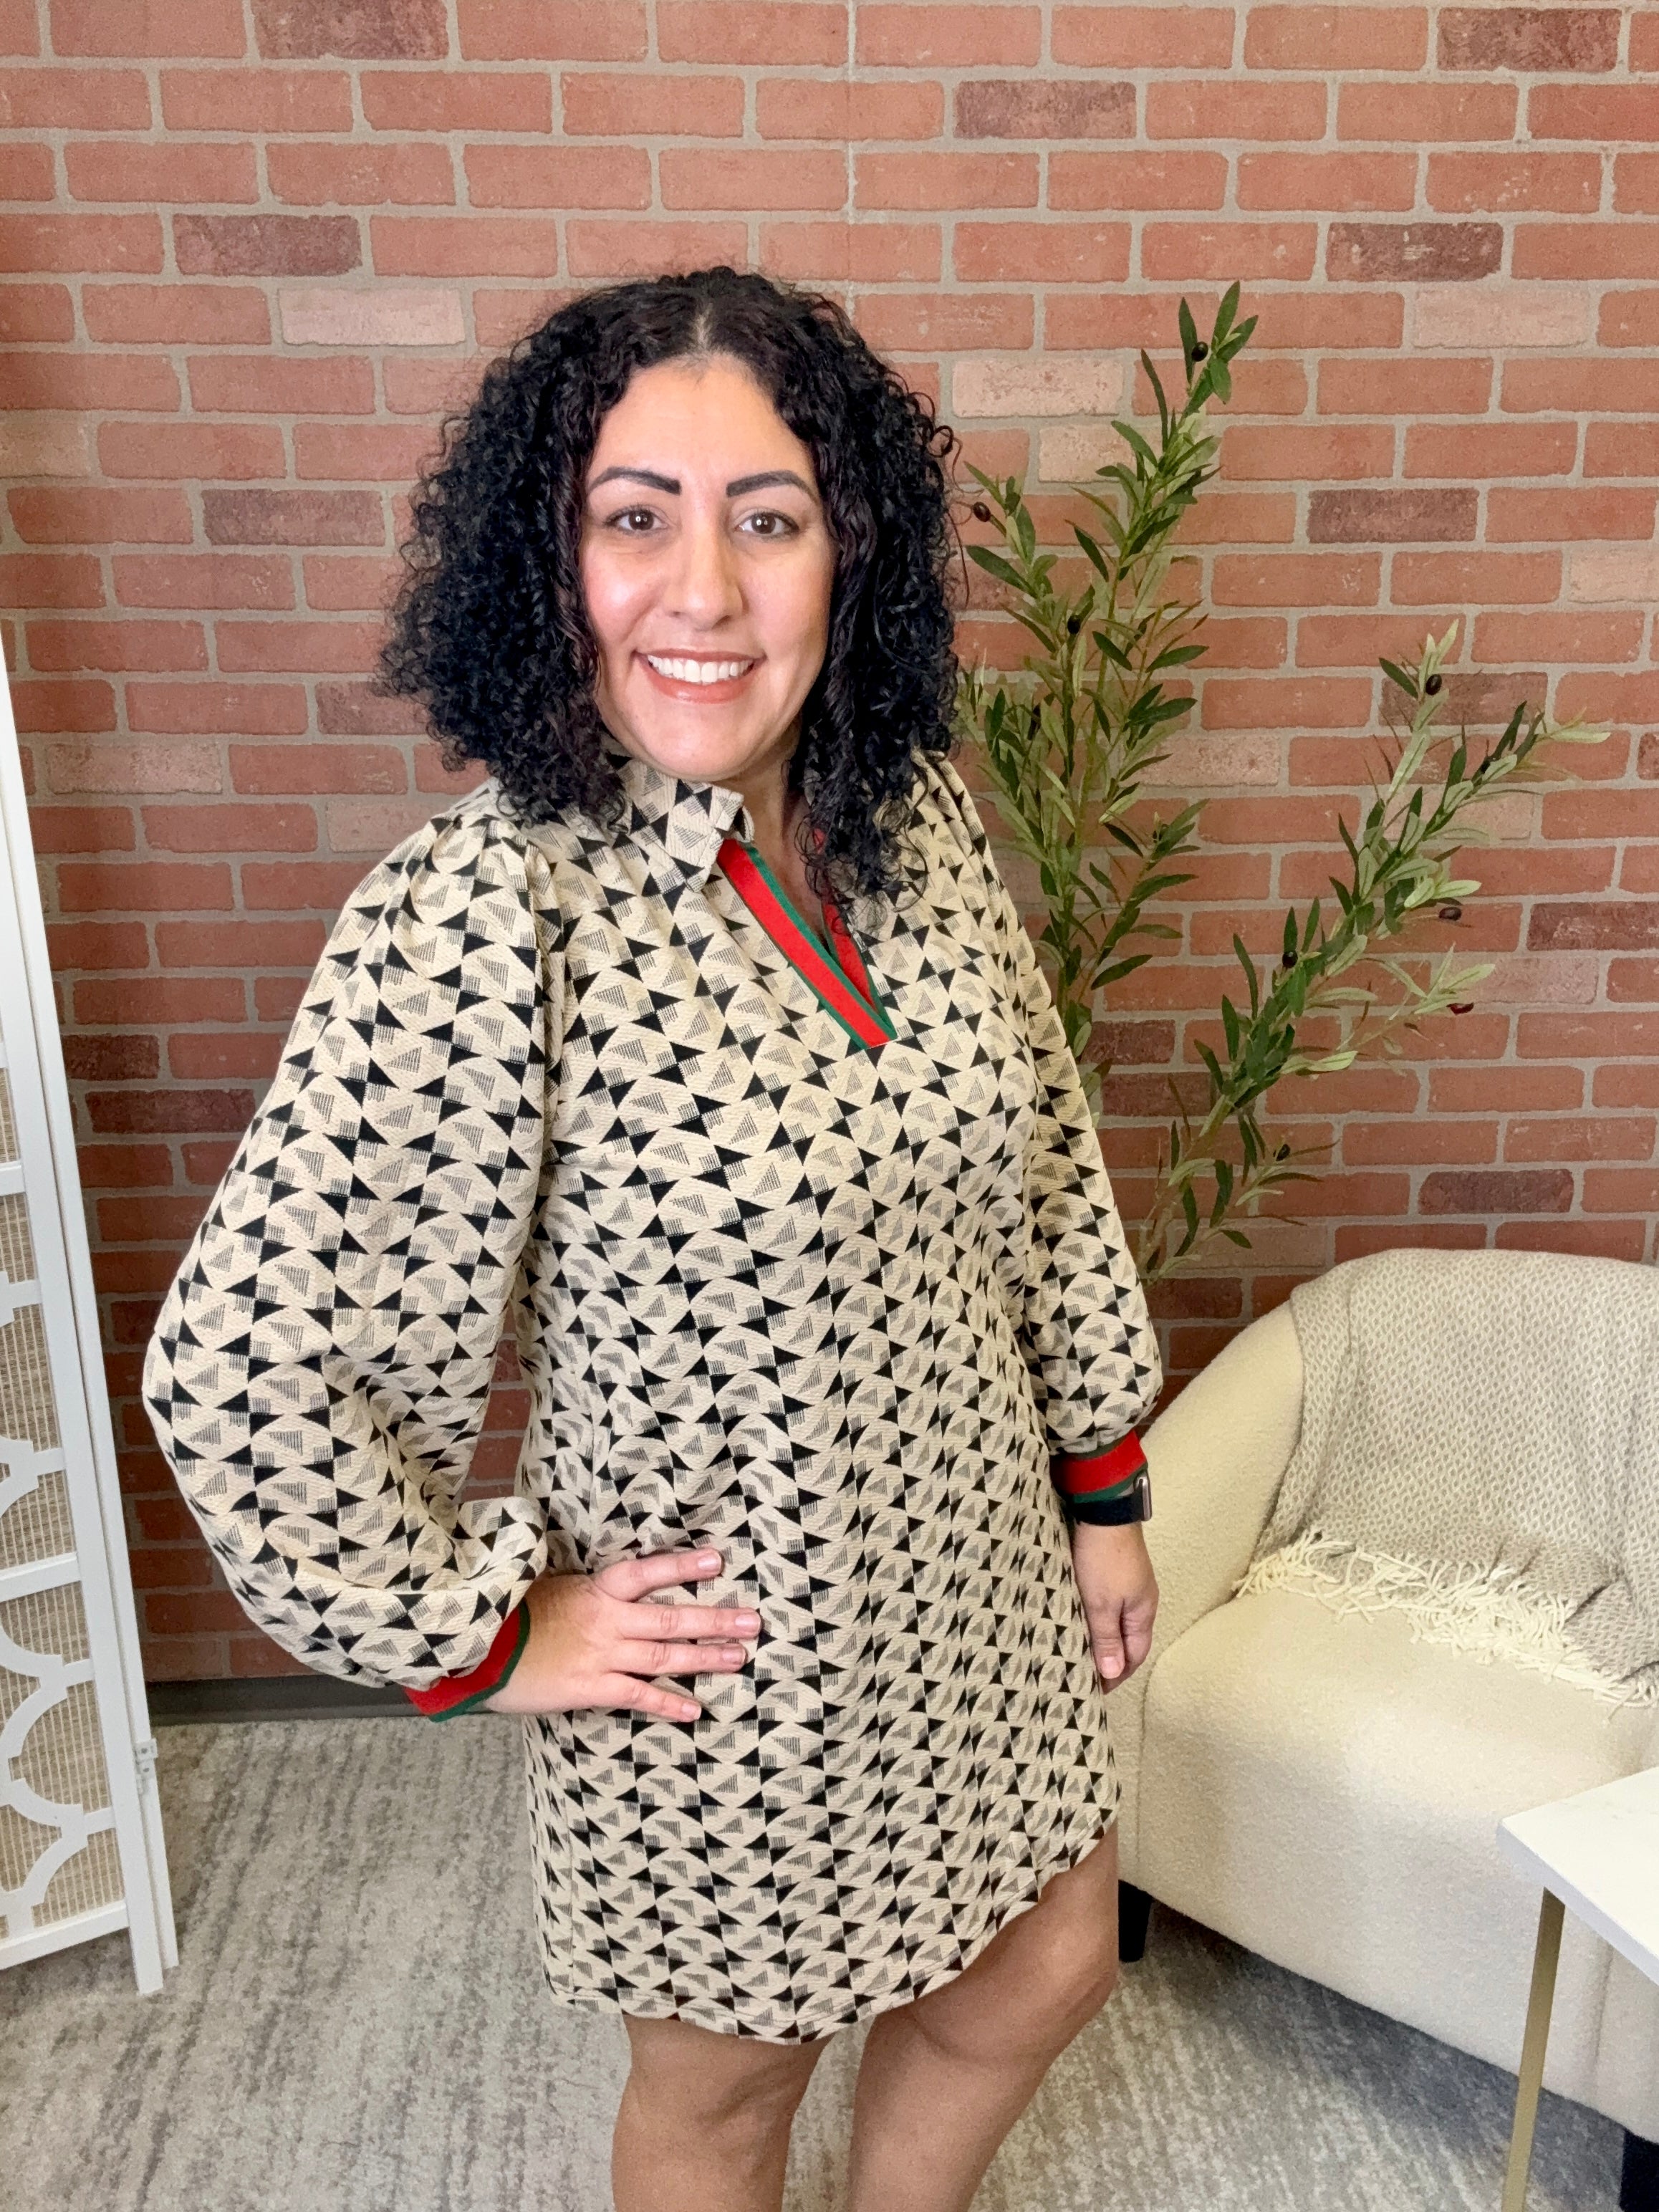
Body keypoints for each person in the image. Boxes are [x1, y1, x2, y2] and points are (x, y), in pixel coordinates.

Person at [144, 266, 1163, 2212]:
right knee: (727, 2101)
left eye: (767, 520)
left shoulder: (913, 821)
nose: (703, 593)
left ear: (848, 558)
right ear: (554, 564)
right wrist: (488, 1628)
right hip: (735, 1666)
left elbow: (1042, 1165)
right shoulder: (488, 911)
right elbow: (243, 1371)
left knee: (1044, 1962)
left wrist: (1098, 1494)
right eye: (636, 518)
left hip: (982, 1583)